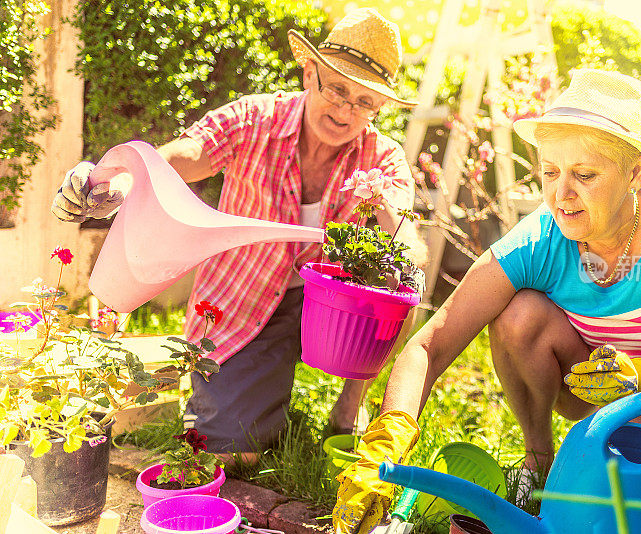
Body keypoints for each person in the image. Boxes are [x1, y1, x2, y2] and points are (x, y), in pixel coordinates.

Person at [331, 69, 641, 533]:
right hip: (582, 381)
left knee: (628, 492)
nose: (560, 195)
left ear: (635, 172)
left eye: (584, 175)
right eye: (550, 172)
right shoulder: (541, 239)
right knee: (519, 313)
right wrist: (383, 447)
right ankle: (539, 460)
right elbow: (431, 344)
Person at [50, 8, 427, 460]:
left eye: (365, 101)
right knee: (233, 453)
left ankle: (348, 411)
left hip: (328, 307)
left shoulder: (382, 156)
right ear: (309, 73)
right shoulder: (255, 118)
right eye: (338, 89)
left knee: (402, 290)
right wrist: (115, 182)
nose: (346, 111)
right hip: (244, 302)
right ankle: (247, 389)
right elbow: (186, 154)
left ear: (379, 106)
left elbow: (411, 248)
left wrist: (388, 210)